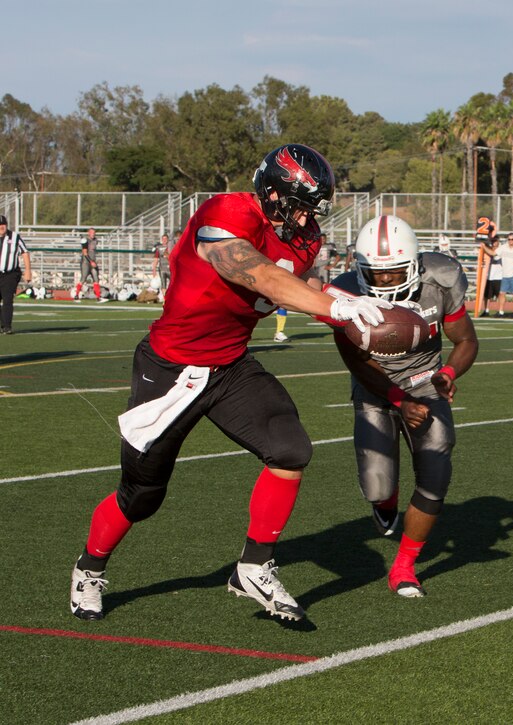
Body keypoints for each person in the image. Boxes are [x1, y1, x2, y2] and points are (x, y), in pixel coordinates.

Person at [67, 144, 392, 622]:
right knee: (142, 495)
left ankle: (254, 567)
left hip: (229, 366)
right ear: (272, 191)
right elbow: (252, 271)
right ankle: (89, 568)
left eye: (311, 210)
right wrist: (334, 308)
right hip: (171, 368)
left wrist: (351, 309)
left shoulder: (305, 238)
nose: (305, 221)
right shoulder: (228, 212)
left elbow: (297, 285)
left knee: (290, 448)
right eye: (297, 206)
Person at [327, 214, 479, 597]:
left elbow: (466, 342)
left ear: (413, 265)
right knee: (378, 487)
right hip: (375, 386)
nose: (383, 281)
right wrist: (397, 399)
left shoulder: (440, 278)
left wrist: (447, 374)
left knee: (436, 470)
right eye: (375, 274)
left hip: (426, 382)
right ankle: (388, 502)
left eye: (394, 273)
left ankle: (404, 567)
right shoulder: (344, 293)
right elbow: (355, 362)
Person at [482, 232, 513, 318]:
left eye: (512, 239)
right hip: (505, 273)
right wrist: (484, 247)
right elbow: (493, 253)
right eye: (509, 239)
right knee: (502, 293)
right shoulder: (503, 248)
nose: (510, 241)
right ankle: (501, 311)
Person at [0, 215, 32, 334]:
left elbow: (24, 252)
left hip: (10, 274)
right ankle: (3, 324)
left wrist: (28, 270)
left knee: (7, 299)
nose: (1, 227)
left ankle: (7, 326)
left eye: (3, 225)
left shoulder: (15, 237)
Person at [75, 227, 107, 303]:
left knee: (96, 279)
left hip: (93, 261)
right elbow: (85, 253)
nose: (93, 234)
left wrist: (93, 261)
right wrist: (91, 261)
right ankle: (76, 295)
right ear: (88, 233)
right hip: (86, 262)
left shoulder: (95, 240)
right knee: (83, 279)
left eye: (94, 233)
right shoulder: (85, 240)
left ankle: (98, 297)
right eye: (91, 232)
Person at [478, 235, 503, 316]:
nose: (494, 242)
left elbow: (493, 254)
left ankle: (500, 311)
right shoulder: (488, 249)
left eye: (495, 241)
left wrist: (484, 246)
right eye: (492, 240)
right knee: (487, 295)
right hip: (488, 275)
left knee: (499, 294)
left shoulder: (501, 250)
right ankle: (486, 310)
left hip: (498, 276)